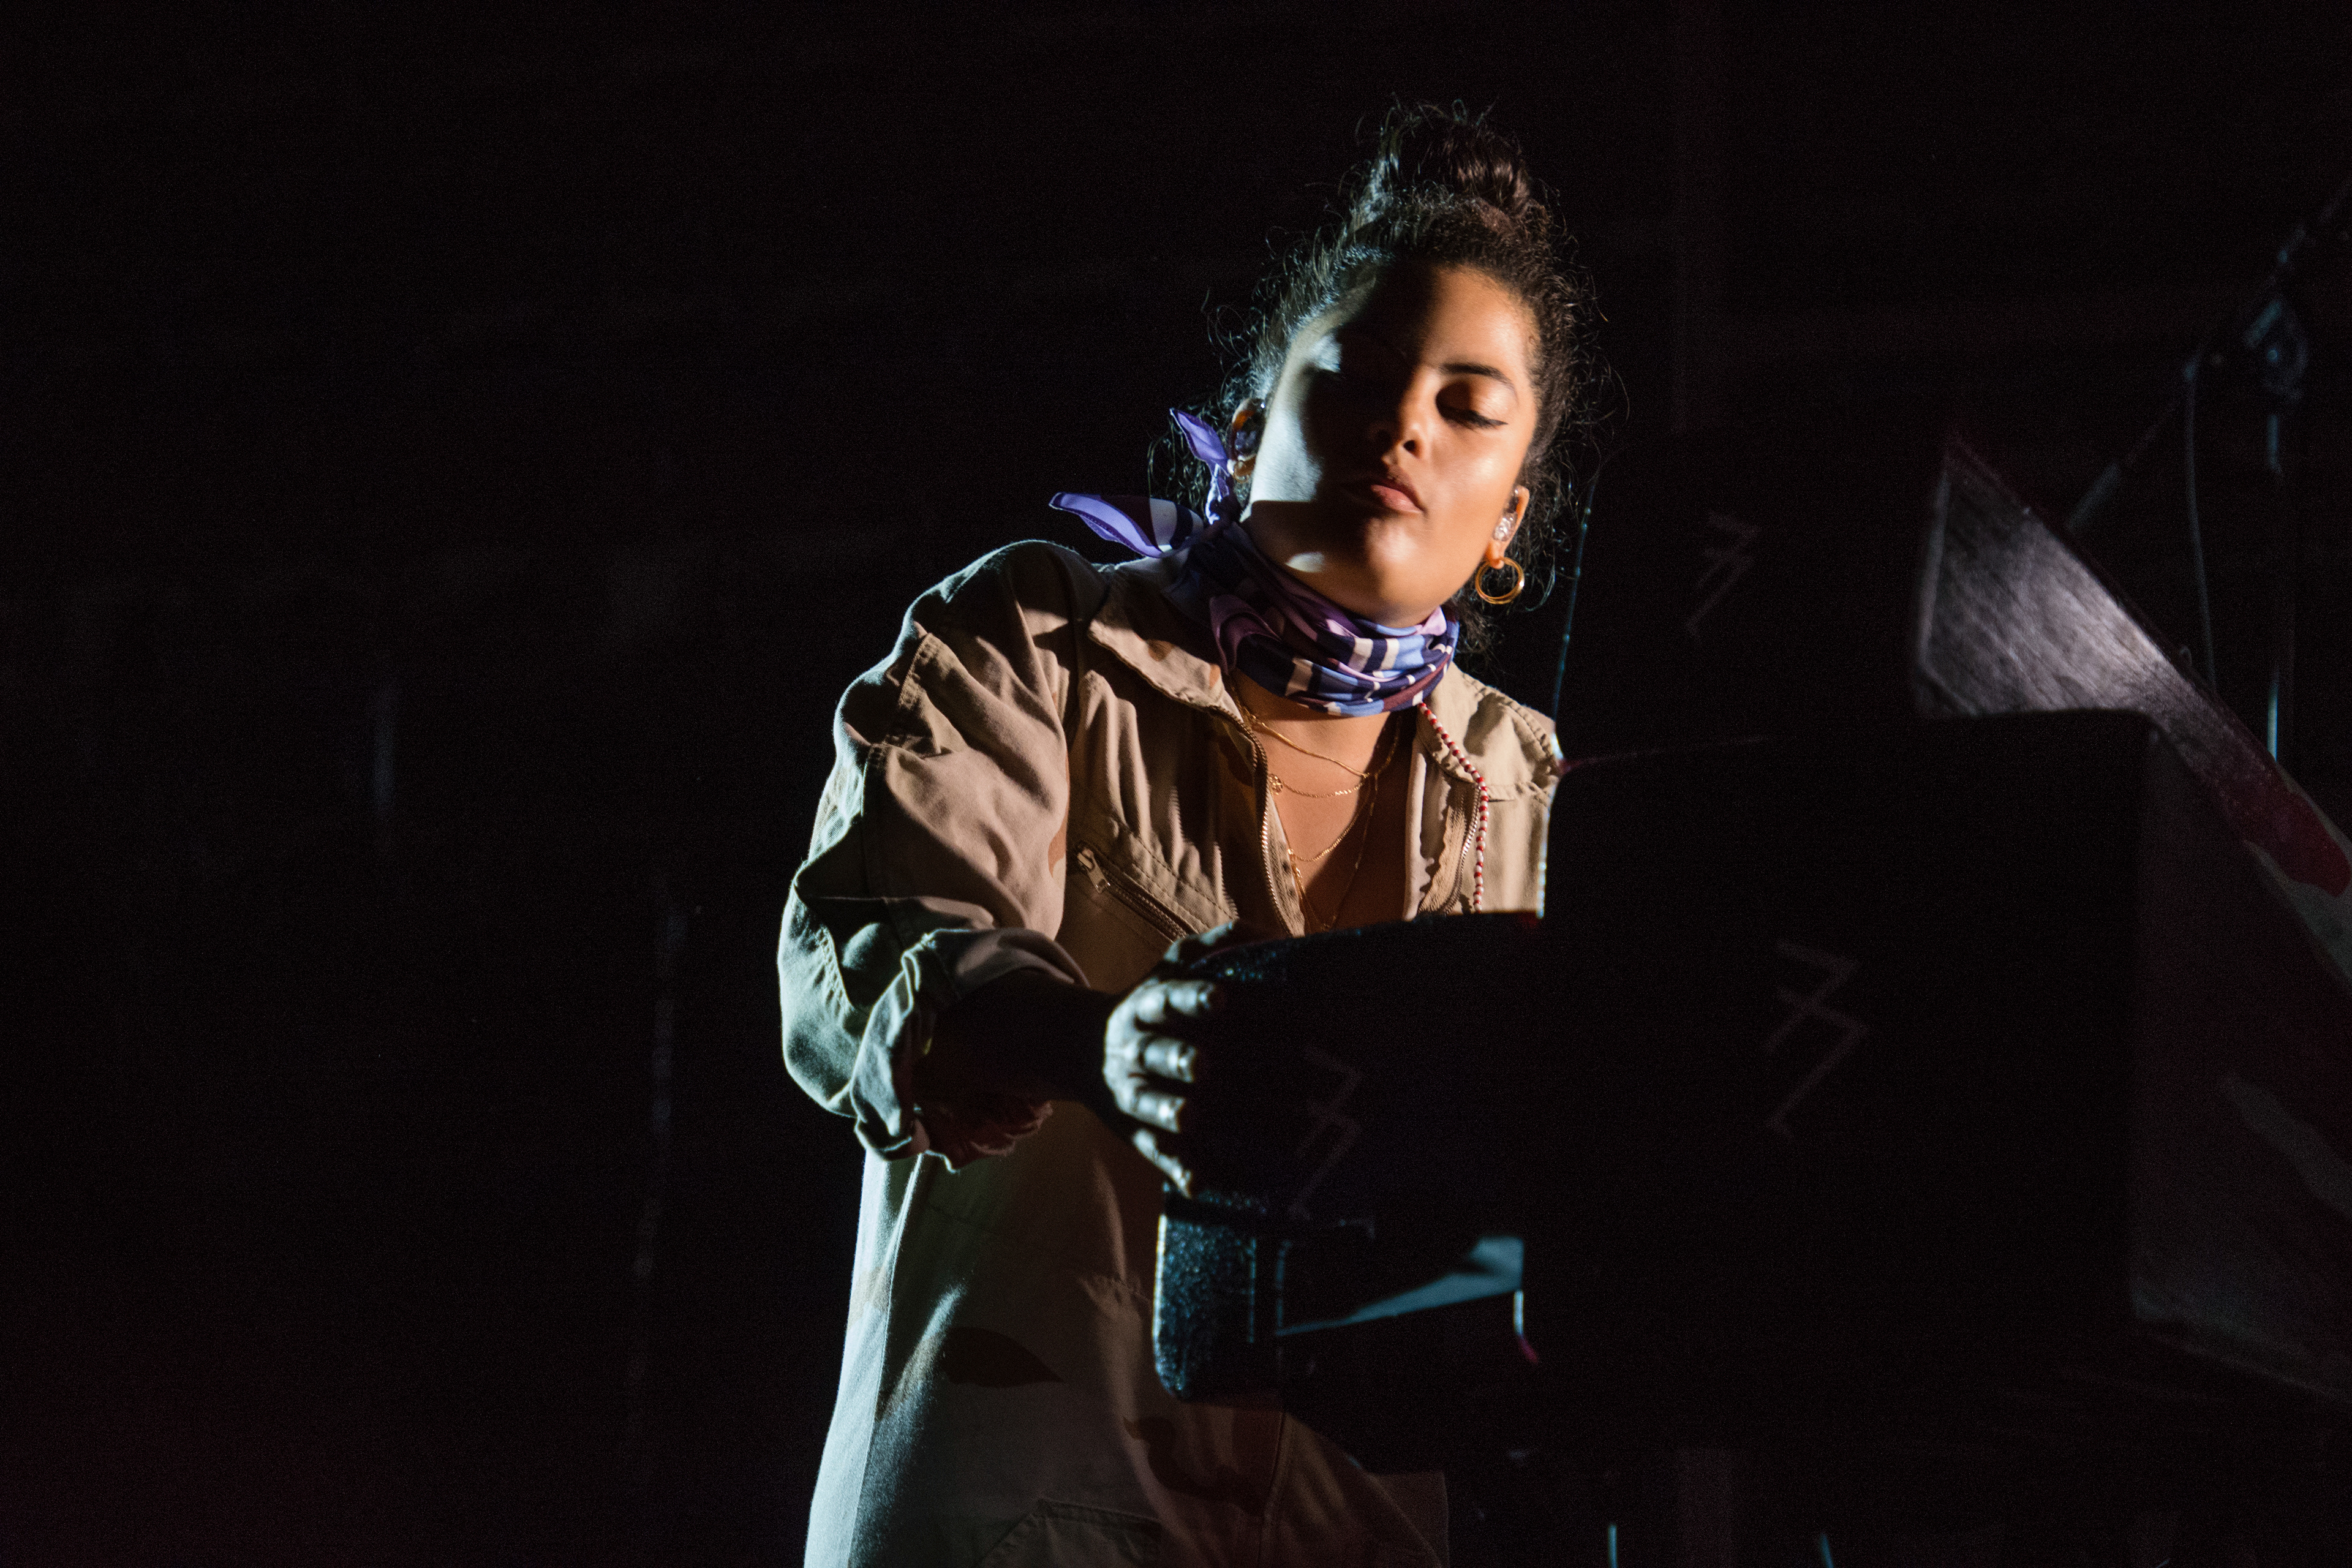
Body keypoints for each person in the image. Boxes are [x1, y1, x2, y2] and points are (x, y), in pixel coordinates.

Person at [778, 104, 1593, 1566]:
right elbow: (872, 958)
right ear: (1251, 422)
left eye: (1469, 404)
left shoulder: (1531, 784)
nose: (1406, 422)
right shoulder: (1035, 639)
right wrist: (1094, 1043)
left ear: (1508, 524)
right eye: (1357, 374)